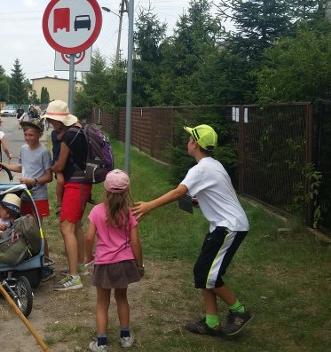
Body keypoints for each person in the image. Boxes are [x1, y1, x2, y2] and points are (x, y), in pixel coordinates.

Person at [132, 124, 252, 337]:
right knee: (204, 272)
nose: (187, 142)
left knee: (207, 274)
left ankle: (240, 311)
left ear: (195, 143)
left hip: (229, 227)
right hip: (222, 225)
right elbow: (219, 192)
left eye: (189, 139)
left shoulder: (200, 169)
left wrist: (149, 205)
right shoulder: (213, 165)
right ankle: (211, 322)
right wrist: (199, 200)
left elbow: (179, 192)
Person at [84, 169, 143, 351]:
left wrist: (89, 256)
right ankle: (125, 337)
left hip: (103, 263)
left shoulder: (97, 211)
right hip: (124, 263)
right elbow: (135, 241)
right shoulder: (129, 213)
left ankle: (101, 343)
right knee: (122, 298)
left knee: (102, 302)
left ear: (106, 189)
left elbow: (88, 238)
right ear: (127, 191)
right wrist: (139, 264)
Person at [43, 100, 92, 291]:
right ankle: (79, 267)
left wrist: (50, 168)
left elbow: (60, 165)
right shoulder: (79, 129)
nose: (51, 123)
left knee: (66, 227)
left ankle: (74, 278)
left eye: (52, 120)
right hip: (83, 184)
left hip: (75, 185)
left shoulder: (68, 137)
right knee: (76, 225)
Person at [5, 118, 54, 280]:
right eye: (26, 134)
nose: (27, 137)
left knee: (37, 230)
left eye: (31, 135)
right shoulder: (24, 149)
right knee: (23, 229)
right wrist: (4, 165)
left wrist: (34, 181)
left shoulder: (44, 152)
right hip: (24, 195)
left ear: (40, 135)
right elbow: (22, 167)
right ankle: (28, 259)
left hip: (38, 197)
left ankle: (45, 263)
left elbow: (49, 177)